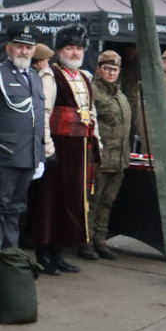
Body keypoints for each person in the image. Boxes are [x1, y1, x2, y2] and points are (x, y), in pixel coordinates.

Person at [25, 23, 99, 276]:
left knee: (69, 202)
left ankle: (58, 253)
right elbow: (43, 113)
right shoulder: (50, 75)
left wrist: (95, 142)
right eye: (70, 47)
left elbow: (91, 114)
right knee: (48, 203)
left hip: (78, 149)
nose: (75, 52)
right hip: (57, 147)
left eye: (79, 48)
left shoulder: (86, 77)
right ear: (59, 50)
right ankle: (43, 253)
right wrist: (48, 148)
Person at [0, 26, 45, 250]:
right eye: (19, 46)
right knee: (0, 209)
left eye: (29, 47)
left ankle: (11, 258)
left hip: (28, 157)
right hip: (5, 158)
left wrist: (40, 157)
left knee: (17, 209)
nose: (24, 51)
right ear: (9, 48)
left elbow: (39, 120)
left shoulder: (36, 79)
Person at [85, 50, 131, 261]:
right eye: (108, 69)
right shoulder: (93, 91)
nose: (112, 73)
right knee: (92, 203)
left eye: (115, 69)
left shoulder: (119, 94)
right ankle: (86, 241)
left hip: (118, 160)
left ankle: (100, 240)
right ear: (99, 69)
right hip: (100, 159)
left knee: (107, 203)